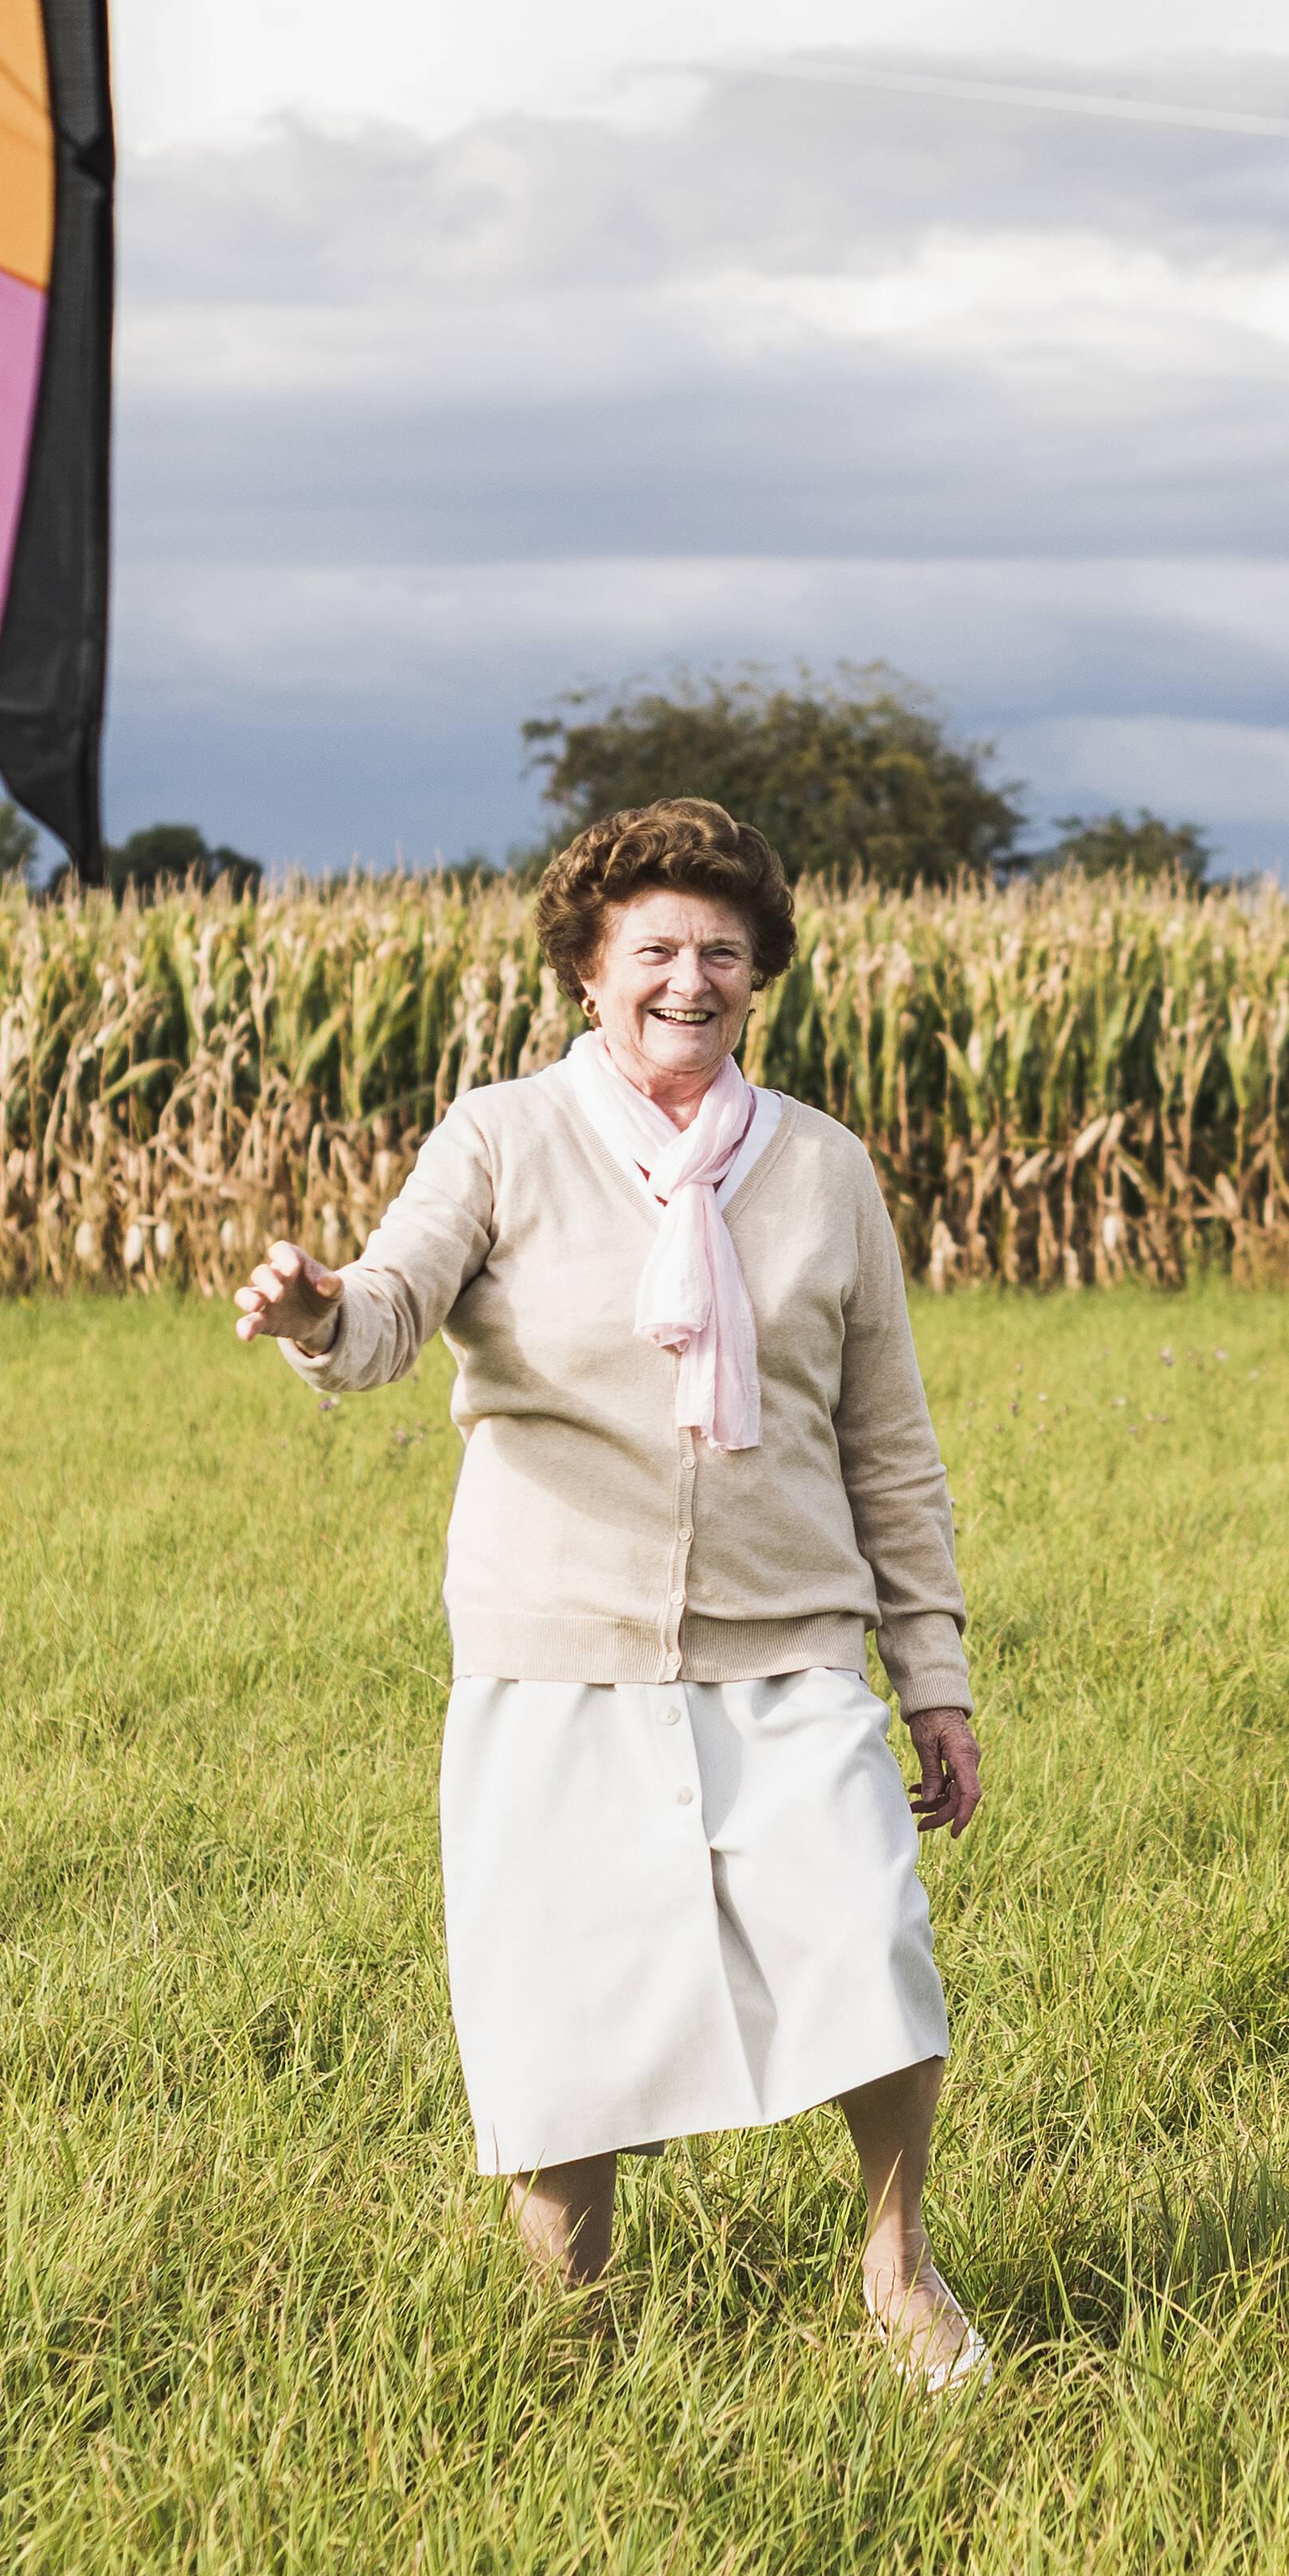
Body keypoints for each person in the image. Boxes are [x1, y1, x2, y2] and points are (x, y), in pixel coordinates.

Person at [233, 797, 990, 2385]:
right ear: (588, 970)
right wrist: (316, 1313)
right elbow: (388, 1307)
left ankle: (897, 2267)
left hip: (786, 1647)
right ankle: (566, 2339)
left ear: (757, 973)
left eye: (720, 949)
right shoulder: (502, 1136)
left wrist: (931, 1675)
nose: (689, 977)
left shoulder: (823, 1171)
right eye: (652, 947)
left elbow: (887, 1439)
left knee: (872, 1951)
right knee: (562, 2010)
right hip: (554, 1651)